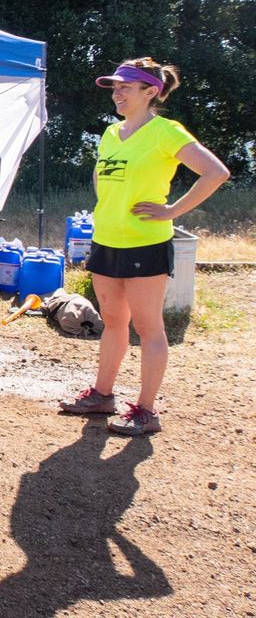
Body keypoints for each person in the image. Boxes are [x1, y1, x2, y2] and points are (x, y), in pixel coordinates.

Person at [59, 57, 229, 435]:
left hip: (146, 245)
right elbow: (101, 177)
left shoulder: (166, 132)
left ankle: (147, 411)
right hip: (106, 240)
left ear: (150, 91)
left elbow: (216, 172)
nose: (117, 92)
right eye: (114, 86)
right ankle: (102, 395)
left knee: (148, 326)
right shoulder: (110, 134)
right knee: (114, 322)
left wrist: (171, 210)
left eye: (125, 86)